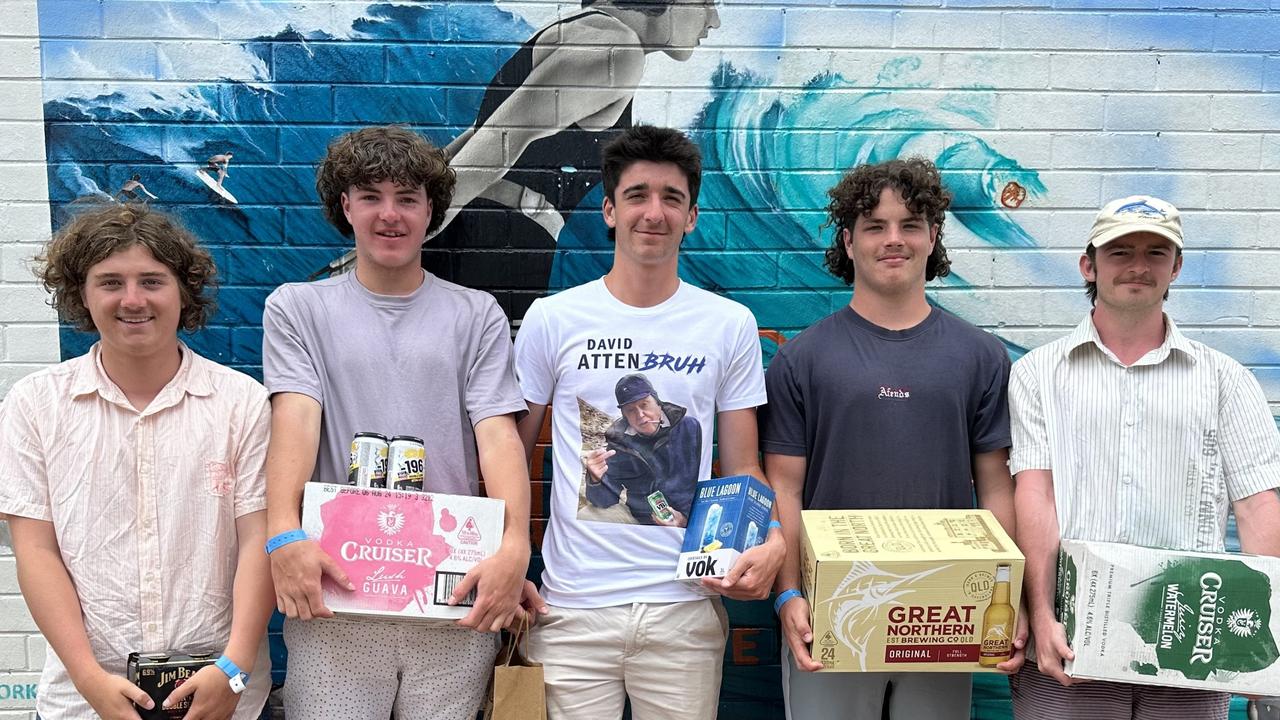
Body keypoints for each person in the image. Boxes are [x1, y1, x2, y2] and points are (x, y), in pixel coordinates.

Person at [512, 125, 784, 719]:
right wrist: (508, 561)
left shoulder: (728, 323)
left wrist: (775, 540)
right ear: (610, 210)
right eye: (637, 195)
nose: (653, 212)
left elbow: (743, 468)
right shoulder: (553, 318)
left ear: (691, 215)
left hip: (683, 609)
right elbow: (510, 454)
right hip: (571, 609)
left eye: (672, 197)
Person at [261, 125, 531, 719]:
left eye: (407, 198)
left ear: (431, 211)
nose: (390, 215)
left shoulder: (476, 313)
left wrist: (515, 544)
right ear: (345, 207)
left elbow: (497, 433)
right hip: (337, 595)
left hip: (452, 595)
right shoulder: (297, 307)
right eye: (371, 196)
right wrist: (282, 533)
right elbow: (295, 424)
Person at [762, 158, 1025, 720]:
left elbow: (997, 488)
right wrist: (788, 595)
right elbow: (783, 488)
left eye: (909, 225)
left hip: (946, 611)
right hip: (832, 605)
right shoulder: (801, 359)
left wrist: (1009, 595)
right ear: (848, 241)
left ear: (933, 237)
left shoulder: (980, 356)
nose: (893, 240)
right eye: (874, 226)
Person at [1008, 195, 1280, 720]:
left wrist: (1260, 643)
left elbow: (1257, 506)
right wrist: (1041, 615)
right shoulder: (1038, 374)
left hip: (1192, 645)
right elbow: (1035, 494)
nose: (1138, 266)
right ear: (1089, 264)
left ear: (1176, 267)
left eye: (1156, 253)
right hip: (1071, 643)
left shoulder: (1226, 381)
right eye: (1120, 252)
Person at [0, 204, 274, 719]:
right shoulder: (34, 404)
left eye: (152, 280)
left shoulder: (242, 403)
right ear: (80, 292)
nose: (133, 300)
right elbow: (34, 549)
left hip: (221, 696)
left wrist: (233, 668)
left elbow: (259, 540)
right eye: (110, 282)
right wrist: (88, 680)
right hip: (84, 701)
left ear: (182, 290)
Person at [582, 373, 703, 525]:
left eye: (645, 404)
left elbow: (697, 479)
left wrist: (684, 518)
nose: (640, 415)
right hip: (640, 519)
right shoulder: (619, 440)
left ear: (658, 402)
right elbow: (605, 501)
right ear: (624, 415)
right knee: (587, 514)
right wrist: (596, 479)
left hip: (688, 516)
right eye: (631, 410)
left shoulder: (688, 427)